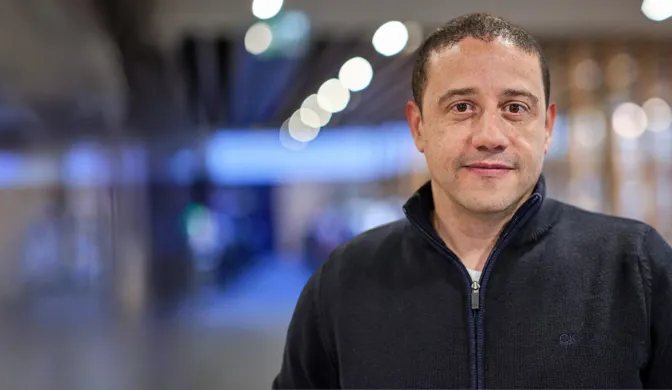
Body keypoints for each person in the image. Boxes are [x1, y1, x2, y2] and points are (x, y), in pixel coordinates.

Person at [272, 12, 672, 389]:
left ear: (547, 128)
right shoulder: (345, 279)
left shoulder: (635, 267)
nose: (490, 136)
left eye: (515, 108)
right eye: (462, 107)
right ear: (418, 127)